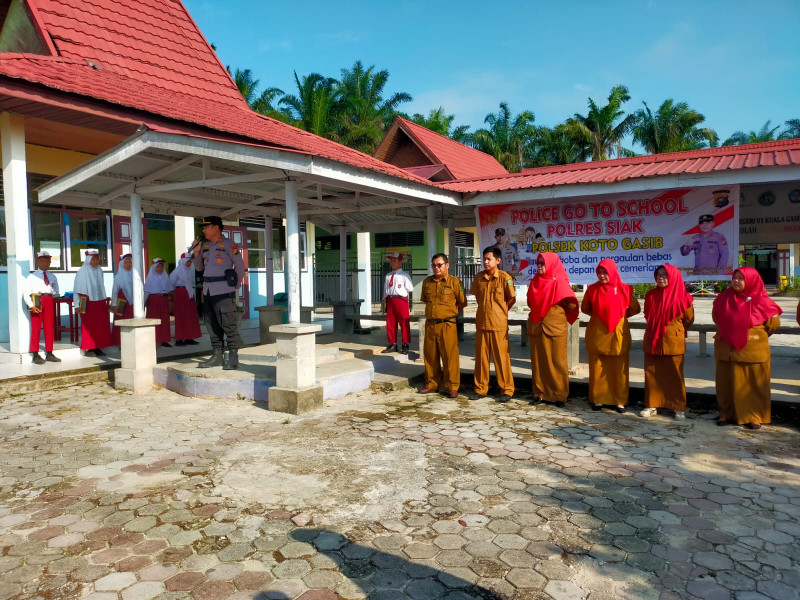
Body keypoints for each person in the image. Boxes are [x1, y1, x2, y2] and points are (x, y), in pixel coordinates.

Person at [712, 267, 782, 429]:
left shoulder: (764, 302)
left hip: (752, 350)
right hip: (726, 349)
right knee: (725, 383)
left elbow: (773, 325)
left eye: (741, 278)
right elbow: (716, 317)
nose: (736, 281)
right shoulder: (723, 298)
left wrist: (750, 334)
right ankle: (726, 414)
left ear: (752, 281)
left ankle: (754, 416)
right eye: (734, 277)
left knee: (753, 385)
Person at [581, 259, 641, 413]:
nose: (602, 276)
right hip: (598, 332)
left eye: (605, 272)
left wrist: (620, 316)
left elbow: (635, 308)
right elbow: (585, 308)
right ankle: (597, 399)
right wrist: (599, 317)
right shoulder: (592, 290)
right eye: (599, 272)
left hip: (617, 333)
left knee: (619, 367)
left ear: (612, 272)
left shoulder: (625, 289)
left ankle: (620, 400)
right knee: (597, 366)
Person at [640, 265, 694, 420]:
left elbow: (688, 319)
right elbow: (648, 315)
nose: (660, 278)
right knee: (652, 373)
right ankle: (652, 404)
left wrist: (674, 330)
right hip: (653, 338)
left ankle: (677, 407)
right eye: (658, 275)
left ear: (674, 277)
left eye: (665, 275)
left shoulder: (684, 297)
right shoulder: (650, 295)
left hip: (673, 340)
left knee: (674, 374)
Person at [192, 216, 246, 370]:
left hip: (223, 290)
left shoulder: (229, 245)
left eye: (206, 227)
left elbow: (240, 267)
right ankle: (217, 356)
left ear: (216, 228)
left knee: (229, 324)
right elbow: (199, 268)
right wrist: (196, 252)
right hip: (208, 290)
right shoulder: (205, 246)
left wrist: (234, 286)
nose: (203, 230)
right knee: (211, 324)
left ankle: (233, 357)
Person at [526, 253, 578, 408]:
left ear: (552, 264)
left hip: (555, 326)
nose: (540, 266)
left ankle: (560, 395)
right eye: (538, 263)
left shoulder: (560, 282)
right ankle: (540, 393)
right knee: (538, 361)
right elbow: (529, 301)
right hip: (537, 325)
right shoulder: (535, 281)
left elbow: (571, 304)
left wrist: (555, 312)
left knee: (558, 361)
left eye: (543, 263)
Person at [469, 246, 516, 402]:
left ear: (498, 260)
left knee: (502, 359)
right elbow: (478, 298)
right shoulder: (478, 278)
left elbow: (511, 299)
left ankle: (507, 390)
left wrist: (500, 312)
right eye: (484, 259)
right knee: (481, 359)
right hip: (482, 324)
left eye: (489, 259)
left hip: (498, 325)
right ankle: (480, 389)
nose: (486, 262)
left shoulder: (505, 278)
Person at [417, 253, 467, 398]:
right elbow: (426, 300)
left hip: (447, 324)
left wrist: (448, 312)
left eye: (439, 265)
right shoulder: (427, 282)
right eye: (433, 265)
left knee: (450, 357)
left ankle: (452, 386)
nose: (436, 268)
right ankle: (431, 384)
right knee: (430, 356)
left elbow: (462, 302)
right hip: (431, 324)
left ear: (447, 265)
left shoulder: (455, 282)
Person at [23, 250, 61, 365]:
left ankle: (49, 352)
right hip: (37, 301)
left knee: (49, 327)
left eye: (47, 261)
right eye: (42, 261)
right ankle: (35, 354)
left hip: (49, 300)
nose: (45, 264)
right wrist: (31, 305)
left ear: (50, 262)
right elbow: (25, 294)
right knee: (36, 327)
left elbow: (56, 291)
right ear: (38, 262)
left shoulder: (52, 276)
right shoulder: (32, 276)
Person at [73, 248, 111, 357]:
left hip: (99, 301)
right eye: (93, 259)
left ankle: (98, 346)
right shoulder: (82, 272)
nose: (95, 261)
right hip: (87, 302)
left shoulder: (99, 270)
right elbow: (76, 290)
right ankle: (89, 348)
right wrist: (76, 305)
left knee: (100, 325)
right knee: (88, 326)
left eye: (97, 259)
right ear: (88, 259)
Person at [382, 251, 413, 355]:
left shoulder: (404, 276)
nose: (392, 263)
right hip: (391, 300)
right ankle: (393, 344)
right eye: (391, 261)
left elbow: (410, 288)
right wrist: (385, 301)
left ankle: (405, 344)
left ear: (400, 262)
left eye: (394, 261)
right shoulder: (388, 276)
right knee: (391, 323)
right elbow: (386, 290)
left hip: (401, 300)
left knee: (404, 323)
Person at [169, 253, 202, 346]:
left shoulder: (189, 271)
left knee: (190, 316)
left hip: (189, 294)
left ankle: (189, 337)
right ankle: (179, 339)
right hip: (180, 294)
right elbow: (170, 284)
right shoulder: (176, 272)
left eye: (190, 261)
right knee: (181, 316)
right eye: (187, 261)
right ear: (183, 262)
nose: (189, 263)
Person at [143, 258, 172, 347]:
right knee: (153, 320)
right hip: (153, 300)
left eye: (161, 266)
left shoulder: (165, 277)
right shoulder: (150, 279)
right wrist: (142, 303)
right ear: (153, 268)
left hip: (163, 300)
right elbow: (146, 291)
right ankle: (152, 339)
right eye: (158, 266)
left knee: (164, 320)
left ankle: (164, 340)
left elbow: (169, 289)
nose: (160, 269)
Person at [110, 253, 134, 347]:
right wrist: (114, 305)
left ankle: (131, 341)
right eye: (126, 262)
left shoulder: (135, 274)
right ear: (122, 264)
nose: (128, 264)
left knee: (131, 321)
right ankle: (120, 343)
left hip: (132, 303)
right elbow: (114, 291)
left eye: (130, 262)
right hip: (122, 302)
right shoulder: (118, 276)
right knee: (122, 322)